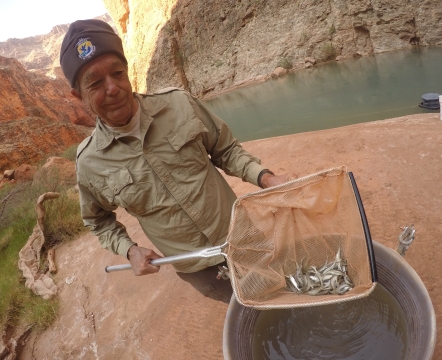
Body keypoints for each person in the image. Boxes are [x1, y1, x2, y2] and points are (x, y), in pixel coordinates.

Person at [60, 19, 296, 297]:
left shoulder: (179, 104)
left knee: (285, 290)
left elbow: (226, 150)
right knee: (248, 312)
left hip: (244, 239)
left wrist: (266, 178)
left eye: (118, 73)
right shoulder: (89, 163)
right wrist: (129, 250)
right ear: (78, 96)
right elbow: (98, 221)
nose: (112, 88)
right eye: (96, 83)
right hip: (197, 269)